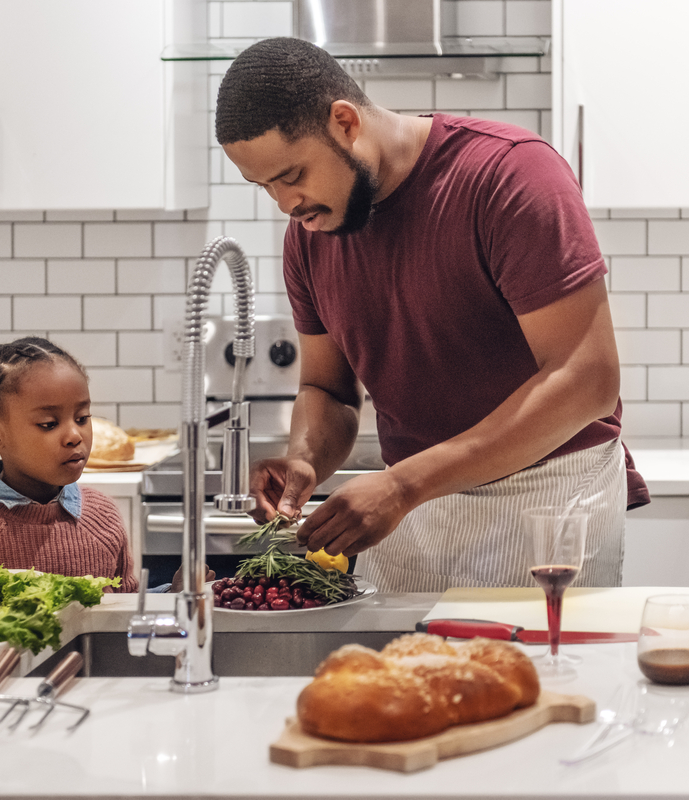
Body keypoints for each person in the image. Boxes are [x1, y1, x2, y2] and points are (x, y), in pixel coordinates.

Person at [215, 38, 650, 592]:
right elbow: (327, 389)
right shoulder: (310, 237)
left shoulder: (510, 176)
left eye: (292, 175)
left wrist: (403, 485)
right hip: (413, 515)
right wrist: (304, 459)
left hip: (549, 498)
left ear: (345, 122)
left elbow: (585, 378)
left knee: (545, 678)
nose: (285, 203)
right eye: (265, 186)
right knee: (404, 677)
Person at [0, 337, 142, 592]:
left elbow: (123, 614)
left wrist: (171, 591)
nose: (75, 435)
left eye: (82, 418)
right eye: (49, 424)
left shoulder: (103, 517)